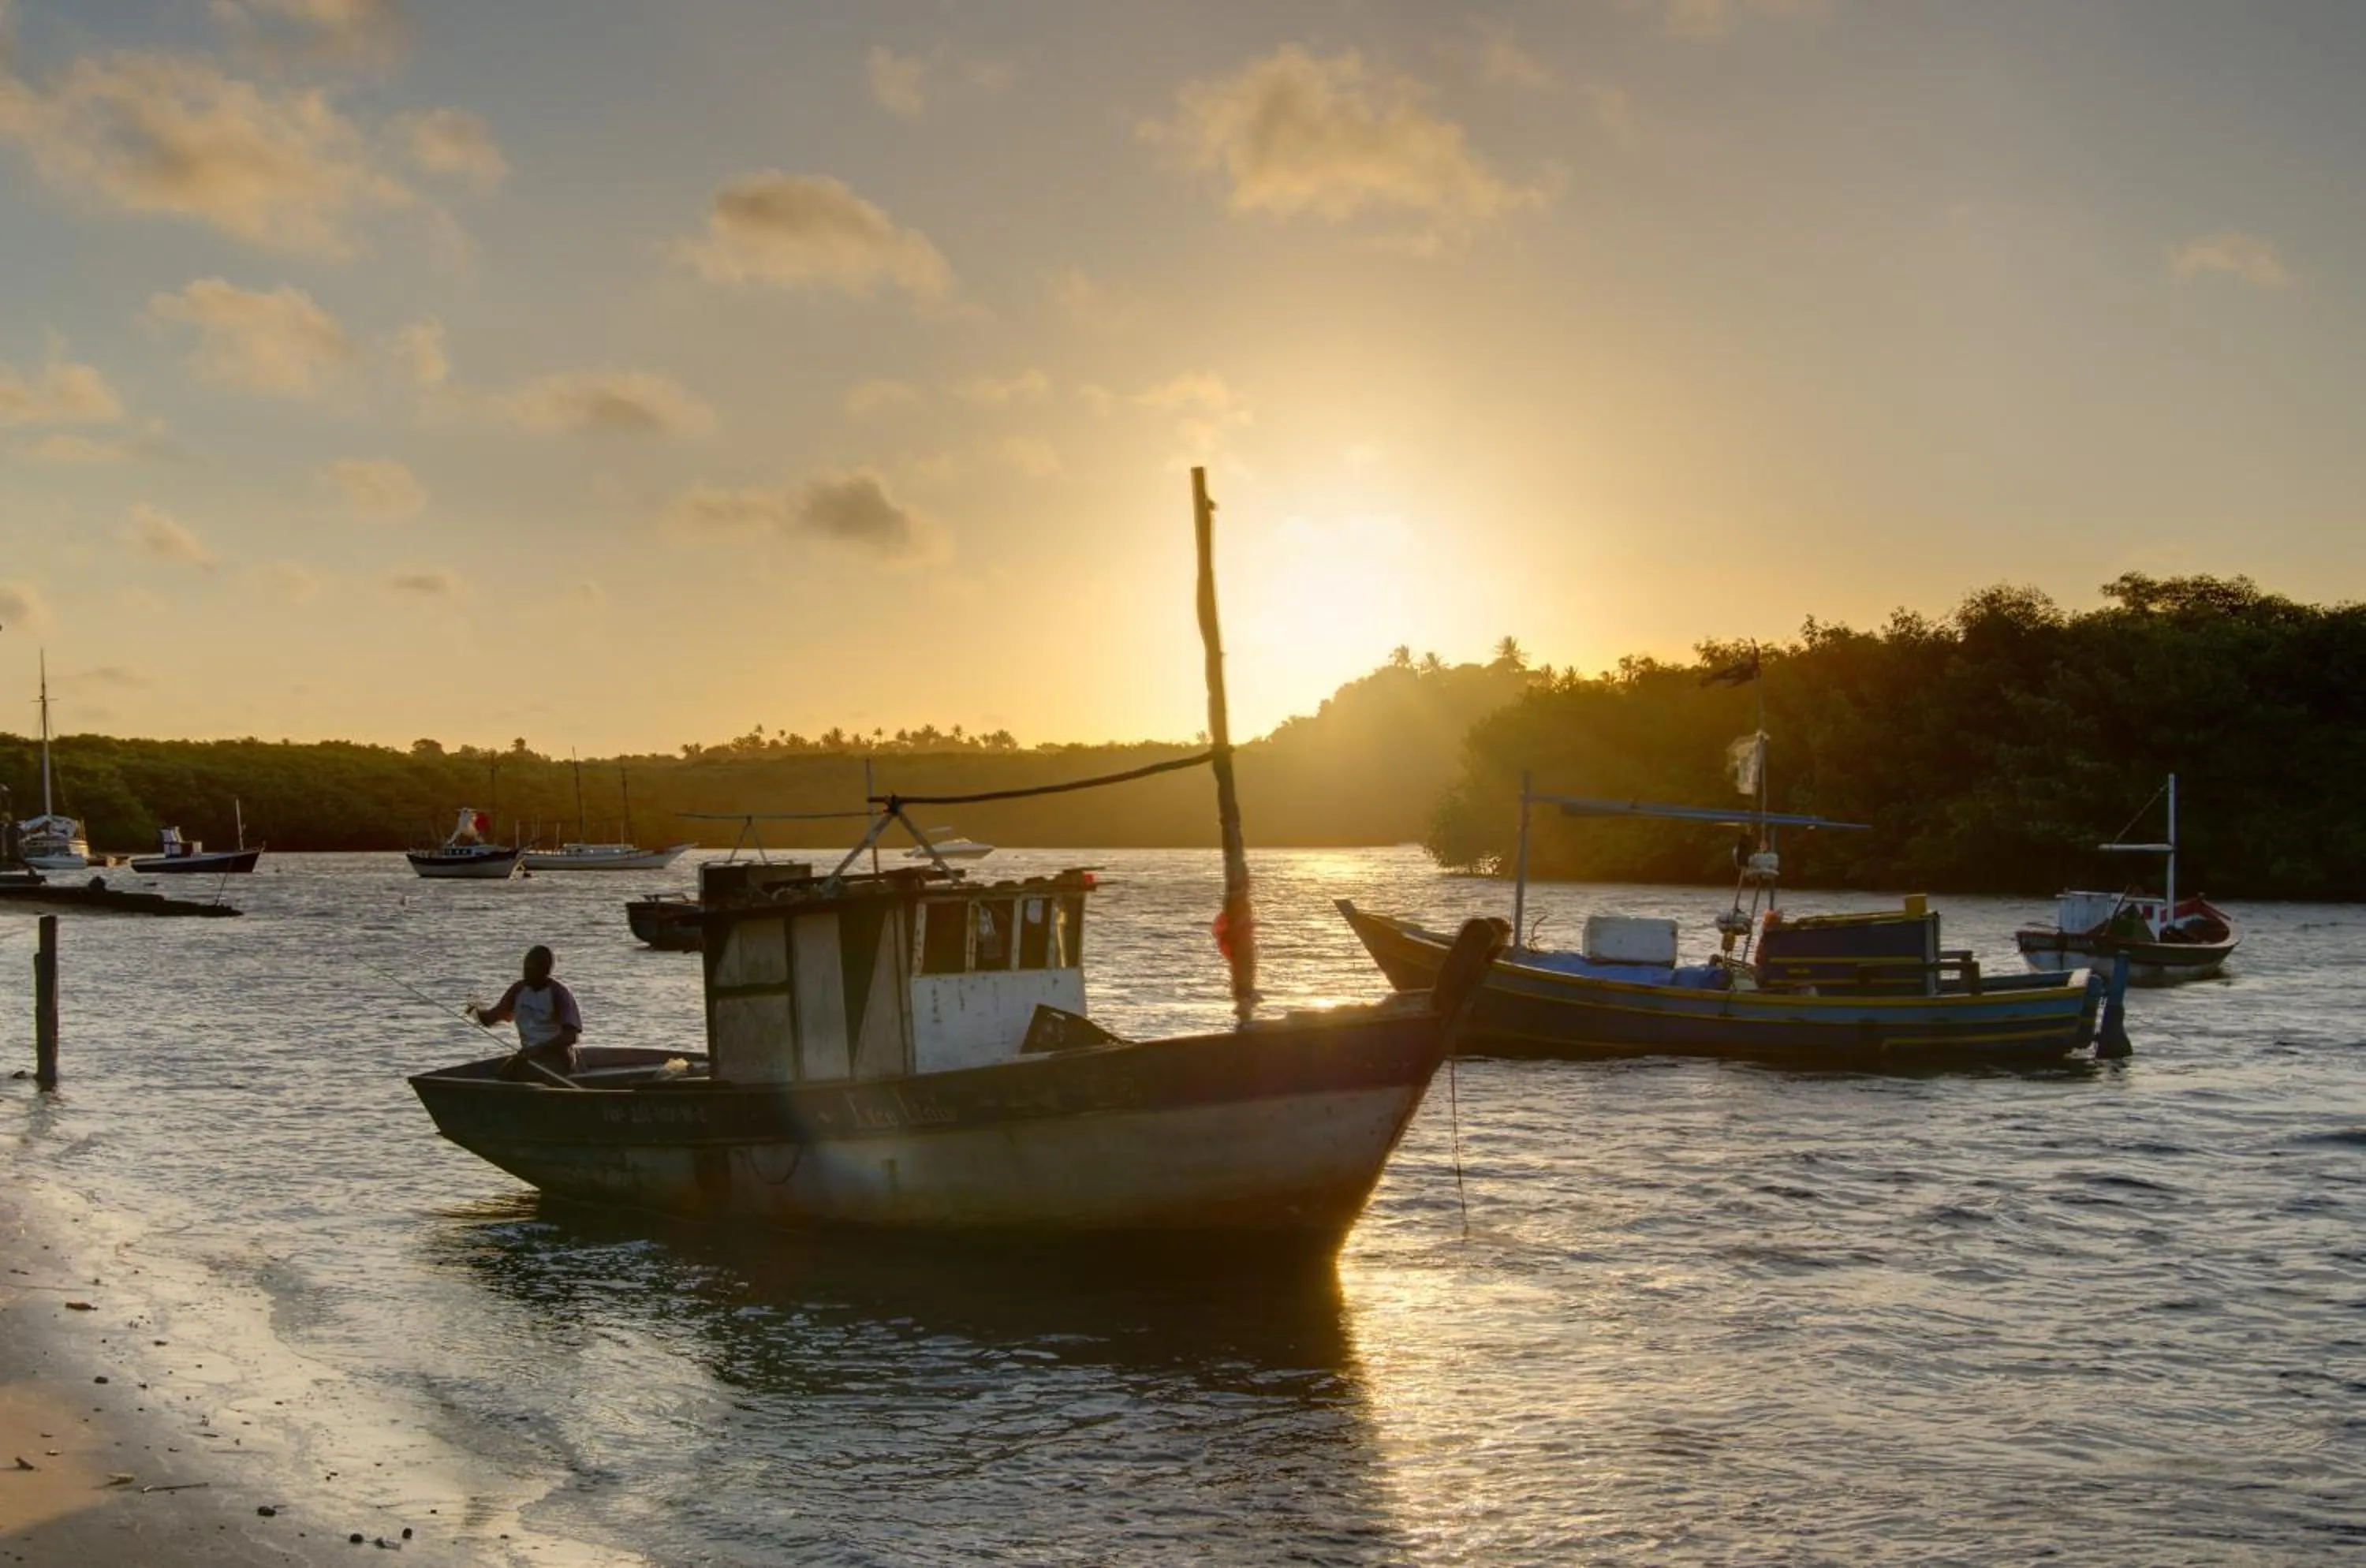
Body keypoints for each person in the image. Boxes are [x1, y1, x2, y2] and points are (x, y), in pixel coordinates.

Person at [468, 944, 583, 1081]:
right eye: (525, 969)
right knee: (505, 1075)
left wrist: (540, 1049)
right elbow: (491, 1019)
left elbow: (571, 1037)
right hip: (528, 1055)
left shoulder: (559, 994)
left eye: (530, 970)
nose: (525, 974)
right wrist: (472, 1012)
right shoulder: (518, 990)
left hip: (557, 1056)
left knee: (521, 1076)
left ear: (544, 970)